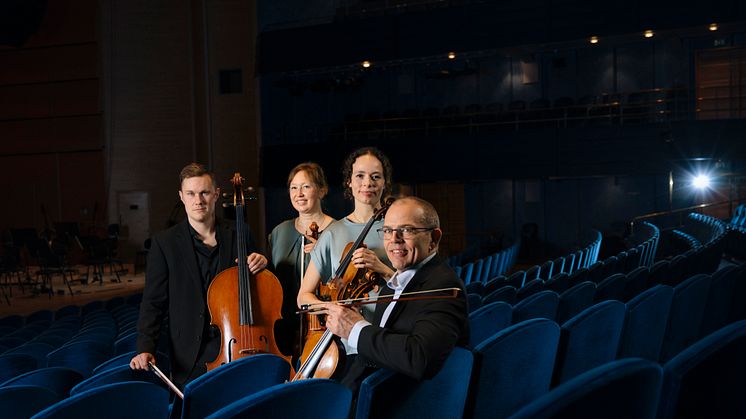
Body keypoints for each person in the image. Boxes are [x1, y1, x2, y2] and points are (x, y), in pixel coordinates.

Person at [129, 163, 268, 389]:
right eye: (191, 193)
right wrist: (145, 348)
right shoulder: (165, 243)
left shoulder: (240, 233)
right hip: (189, 354)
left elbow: (260, 290)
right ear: (182, 197)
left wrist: (262, 264)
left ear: (215, 194)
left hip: (238, 342)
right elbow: (153, 303)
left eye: (204, 192)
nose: (198, 200)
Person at [323, 196, 469, 391]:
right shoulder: (393, 286)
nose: (394, 240)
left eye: (407, 230)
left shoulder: (443, 286)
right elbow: (379, 351)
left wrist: (354, 328)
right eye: (388, 230)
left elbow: (419, 358)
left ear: (433, 239)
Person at [297, 147, 395, 335]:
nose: (368, 183)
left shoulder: (397, 230)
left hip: (389, 336)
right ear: (349, 181)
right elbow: (303, 297)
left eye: (376, 177)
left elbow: (414, 286)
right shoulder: (332, 234)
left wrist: (382, 268)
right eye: (360, 176)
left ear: (385, 183)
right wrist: (334, 310)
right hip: (345, 341)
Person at [268, 162, 335, 357]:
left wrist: (324, 256)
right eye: (294, 188)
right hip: (284, 325)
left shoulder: (338, 230)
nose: (299, 194)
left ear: (322, 191)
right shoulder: (279, 233)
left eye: (306, 187)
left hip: (324, 325)